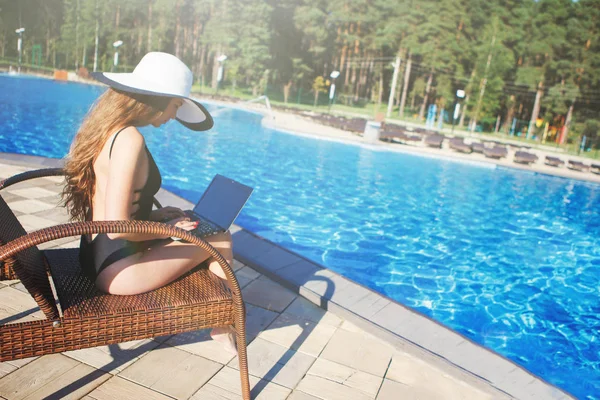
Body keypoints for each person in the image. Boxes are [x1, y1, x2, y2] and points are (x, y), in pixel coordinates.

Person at [62, 52, 236, 352]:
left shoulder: (105, 131)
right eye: (176, 104)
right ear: (156, 99)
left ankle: (218, 317)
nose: (173, 115)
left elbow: (109, 211)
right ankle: (223, 325)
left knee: (198, 232)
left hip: (94, 258)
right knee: (219, 239)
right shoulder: (130, 139)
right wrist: (168, 231)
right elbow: (117, 226)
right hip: (119, 271)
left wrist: (157, 219)